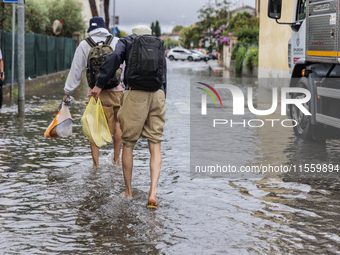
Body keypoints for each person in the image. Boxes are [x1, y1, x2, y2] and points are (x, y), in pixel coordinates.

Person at [93, 25, 167, 207]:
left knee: (128, 143)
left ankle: (128, 192)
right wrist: (163, 95)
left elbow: (113, 60)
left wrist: (99, 84)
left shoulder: (126, 41)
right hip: (158, 95)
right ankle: (153, 193)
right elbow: (163, 74)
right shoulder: (158, 44)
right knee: (155, 144)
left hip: (135, 94)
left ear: (134, 33)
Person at [62, 17, 124, 167]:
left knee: (93, 125)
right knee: (117, 124)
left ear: (91, 29)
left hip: (95, 92)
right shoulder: (116, 41)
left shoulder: (84, 44)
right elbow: (125, 66)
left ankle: (95, 165)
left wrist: (68, 91)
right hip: (116, 90)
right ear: (104, 27)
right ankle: (116, 161)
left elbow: (76, 70)